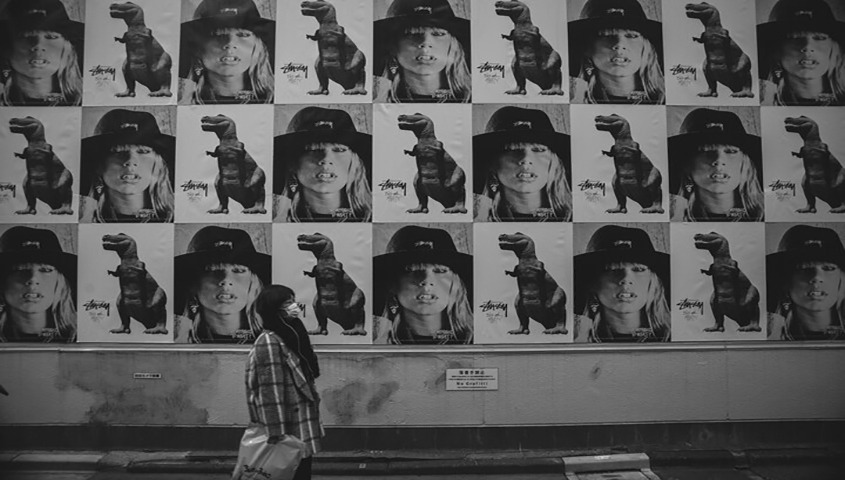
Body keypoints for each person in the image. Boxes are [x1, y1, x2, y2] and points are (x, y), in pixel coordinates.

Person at [245, 284, 323, 480]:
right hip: (286, 426)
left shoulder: (291, 333)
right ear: (274, 309)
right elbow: (270, 391)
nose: (294, 306)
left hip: (298, 422)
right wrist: (277, 434)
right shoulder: (270, 341)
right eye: (288, 302)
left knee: (302, 470)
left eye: (293, 300)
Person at [373, 225, 473, 344]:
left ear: (456, 284)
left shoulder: (479, 342)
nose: (426, 280)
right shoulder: (377, 347)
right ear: (393, 284)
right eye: (413, 270)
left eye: (440, 271)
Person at [473, 106, 572, 222]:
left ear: (555, 163)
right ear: (492, 163)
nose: (526, 159)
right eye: (513, 150)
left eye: (539, 150)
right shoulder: (478, 222)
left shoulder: (574, 218)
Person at [573, 225, 670, 343]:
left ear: (654, 282)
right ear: (592, 283)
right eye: (613, 270)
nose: (626, 279)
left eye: (638, 270)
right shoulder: (576, 339)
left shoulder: (676, 337)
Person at [274, 107, 372, 222]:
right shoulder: (279, 223)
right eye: (313, 150)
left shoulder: (374, 220)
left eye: (339, 150)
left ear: (355, 163)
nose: (326, 159)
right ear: (292, 164)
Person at [174, 226, 270, 344]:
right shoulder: (176, 340)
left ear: (253, 282)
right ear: (194, 284)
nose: (226, 280)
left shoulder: (271, 341)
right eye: (213, 270)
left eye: (238, 271)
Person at [79, 109, 175, 223]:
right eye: (117, 152)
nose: (130, 161)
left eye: (143, 152)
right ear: (99, 165)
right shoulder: (82, 220)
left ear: (158, 165)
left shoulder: (177, 218)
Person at [669, 108, 764, 222]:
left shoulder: (765, 217)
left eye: (731, 151)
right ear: (687, 164)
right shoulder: (674, 219)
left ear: (746, 164)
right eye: (706, 151)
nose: (719, 160)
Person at [568, 0, 664, 104]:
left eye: (632, 36)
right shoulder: (575, 101)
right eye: (606, 35)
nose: (619, 44)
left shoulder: (665, 100)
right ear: (587, 47)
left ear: (646, 47)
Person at [373, 0, 471, 103]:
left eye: (439, 34)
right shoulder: (381, 102)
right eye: (412, 34)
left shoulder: (469, 99)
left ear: (453, 45)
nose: (426, 42)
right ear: (393, 47)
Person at [179, 0, 275, 104]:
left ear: (257, 47)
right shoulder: (181, 99)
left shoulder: (274, 98)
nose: (230, 43)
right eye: (217, 35)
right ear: (198, 47)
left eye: (243, 35)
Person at [757, 0, 845, 106]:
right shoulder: (763, 101)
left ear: (834, 48)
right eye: (795, 38)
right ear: (777, 50)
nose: (807, 47)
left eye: (819, 38)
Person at [767, 225, 845, 341]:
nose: (817, 277)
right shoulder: (767, 335)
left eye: (828, 268)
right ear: (785, 281)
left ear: (841, 279)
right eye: (803, 268)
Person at [0, 226, 76, 343]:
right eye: (20, 269)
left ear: (59, 282)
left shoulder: (82, 336)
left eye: (46, 270)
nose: (33, 279)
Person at [0, 0, 84, 106]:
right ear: (7, 48)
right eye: (26, 36)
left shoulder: (85, 100)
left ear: (67, 48)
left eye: (52, 37)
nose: (38, 45)